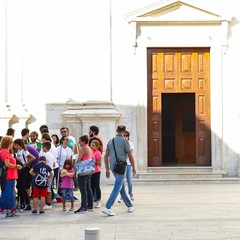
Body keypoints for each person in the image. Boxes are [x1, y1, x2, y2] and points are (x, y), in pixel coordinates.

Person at [102, 125, 136, 216]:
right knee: (117, 187)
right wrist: (134, 167)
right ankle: (107, 207)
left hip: (113, 167)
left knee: (121, 187)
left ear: (117, 130)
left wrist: (107, 169)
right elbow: (130, 155)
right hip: (121, 166)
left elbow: (105, 156)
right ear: (124, 131)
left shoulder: (111, 141)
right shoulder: (125, 141)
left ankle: (129, 205)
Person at [0, 136, 22, 218]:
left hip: (11, 176)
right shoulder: (5, 152)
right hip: (8, 176)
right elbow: (7, 164)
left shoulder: (5, 151)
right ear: (8, 143)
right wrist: (17, 166)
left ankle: (10, 211)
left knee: (12, 195)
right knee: (7, 194)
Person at [13, 138, 35, 211]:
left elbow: (32, 157)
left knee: (22, 187)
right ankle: (22, 202)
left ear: (17, 144)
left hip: (24, 170)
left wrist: (26, 163)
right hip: (20, 170)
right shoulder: (18, 152)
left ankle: (27, 203)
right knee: (19, 186)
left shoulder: (24, 151)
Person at [74, 135, 94, 214]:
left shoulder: (83, 149)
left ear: (84, 141)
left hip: (83, 171)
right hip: (89, 170)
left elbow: (79, 160)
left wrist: (75, 165)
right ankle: (90, 204)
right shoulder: (89, 148)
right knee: (88, 188)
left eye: (80, 141)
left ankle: (83, 206)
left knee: (83, 189)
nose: (79, 143)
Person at [118, 130, 135, 202]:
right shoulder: (119, 144)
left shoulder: (130, 144)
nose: (125, 137)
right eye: (124, 135)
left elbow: (129, 155)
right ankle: (122, 196)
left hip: (128, 164)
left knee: (129, 180)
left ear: (128, 137)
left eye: (126, 136)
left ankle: (130, 193)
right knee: (121, 181)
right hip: (121, 164)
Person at [39, 141, 55, 209]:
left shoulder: (45, 155)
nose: (42, 148)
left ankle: (48, 203)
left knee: (47, 189)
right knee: (48, 188)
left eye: (43, 147)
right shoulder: (51, 154)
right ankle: (48, 202)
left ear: (45, 147)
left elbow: (42, 163)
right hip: (51, 171)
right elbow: (54, 164)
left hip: (47, 173)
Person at [90, 140, 102, 208]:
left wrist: (94, 161)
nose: (91, 146)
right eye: (91, 145)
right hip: (90, 171)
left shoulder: (98, 153)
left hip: (96, 171)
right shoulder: (90, 152)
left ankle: (98, 200)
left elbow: (100, 163)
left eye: (93, 145)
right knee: (91, 186)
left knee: (96, 186)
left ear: (97, 146)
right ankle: (91, 199)